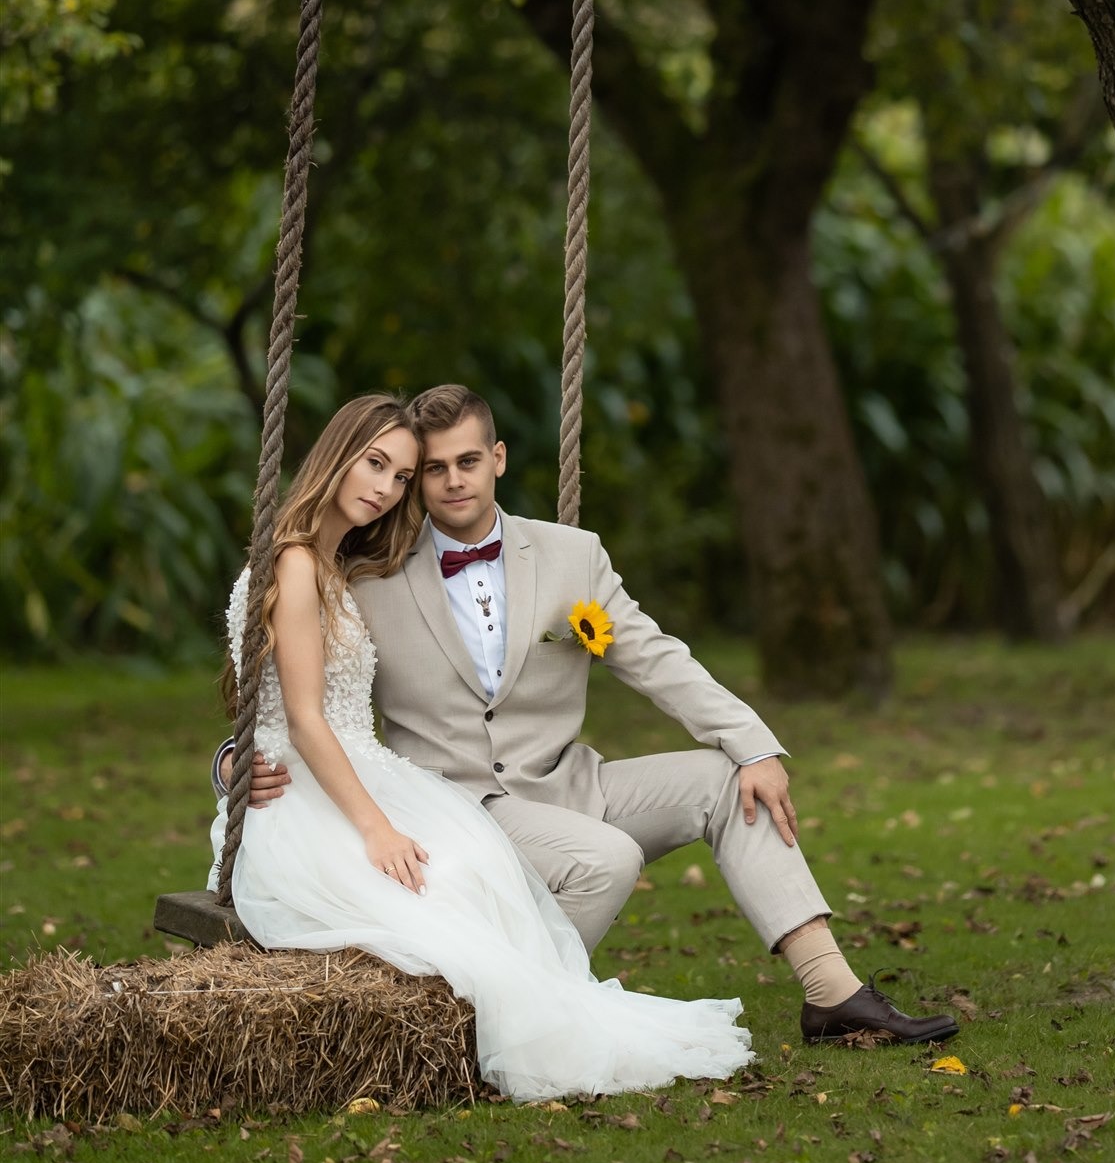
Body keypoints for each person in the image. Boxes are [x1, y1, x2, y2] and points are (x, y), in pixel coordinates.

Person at [220, 383, 958, 1052]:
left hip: (574, 786)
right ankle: (511, 1021)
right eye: (431, 468)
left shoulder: (573, 557)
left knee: (726, 780)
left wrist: (754, 742)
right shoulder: (369, 570)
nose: (448, 481)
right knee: (606, 859)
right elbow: (292, 693)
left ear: (498, 458)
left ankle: (834, 995)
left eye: (464, 461)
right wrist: (233, 761)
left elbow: (657, 657)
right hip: (462, 807)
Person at [209, 393, 753, 1102]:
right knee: (449, 883)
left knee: (476, 869)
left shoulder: (342, 566)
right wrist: (372, 827)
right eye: (375, 463)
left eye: (402, 476)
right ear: (336, 454)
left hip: (361, 774)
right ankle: (490, 1033)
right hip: (311, 795)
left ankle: (497, 1028)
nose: (384, 487)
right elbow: (303, 720)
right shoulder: (296, 563)